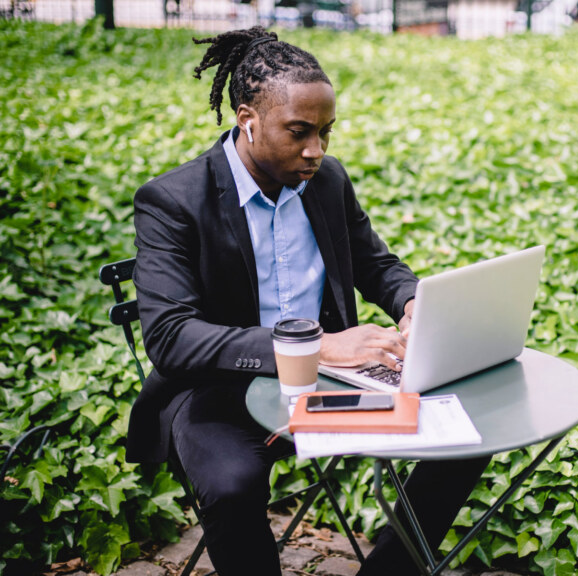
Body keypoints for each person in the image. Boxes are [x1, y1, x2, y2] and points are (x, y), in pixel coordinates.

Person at [126, 26, 491, 576]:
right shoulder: (173, 201)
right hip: (219, 390)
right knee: (231, 484)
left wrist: (414, 303)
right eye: (299, 132)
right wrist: (319, 348)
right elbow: (172, 338)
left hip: (333, 391)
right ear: (247, 119)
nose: (315, 150)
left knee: (469, 431)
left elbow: (375, 264)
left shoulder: (326, 181)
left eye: (325, 132)